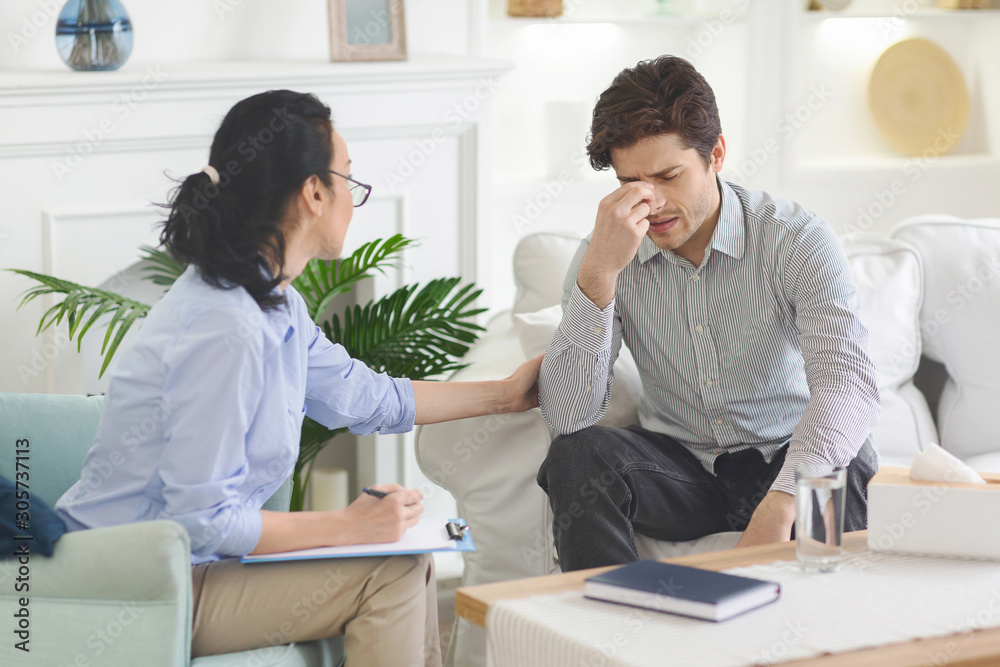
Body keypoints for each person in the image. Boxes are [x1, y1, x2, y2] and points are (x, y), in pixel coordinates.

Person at [55, 89, 542, 667]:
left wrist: (507, 395)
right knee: (389, 571)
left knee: (406, 559)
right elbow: (201, 519)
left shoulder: (274, 303)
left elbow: (366, 397)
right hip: (129, 584)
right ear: (314, 192)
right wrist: (349, 526)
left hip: (190, 566)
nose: (354, 200)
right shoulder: (227, 326)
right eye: (349, 180)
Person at [535, 56, 881, 572]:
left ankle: (832, 614)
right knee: (576, 456)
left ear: (715, 154)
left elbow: (847, 386)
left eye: (668, 176)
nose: (651, 203)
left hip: (785, 457)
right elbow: (569, 417)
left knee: (844, 463)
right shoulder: (604, 254)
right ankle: (613, 615)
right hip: (683, 472)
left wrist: (782, 502)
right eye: (631, 182)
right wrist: (600, 275)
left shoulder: (796, 239)